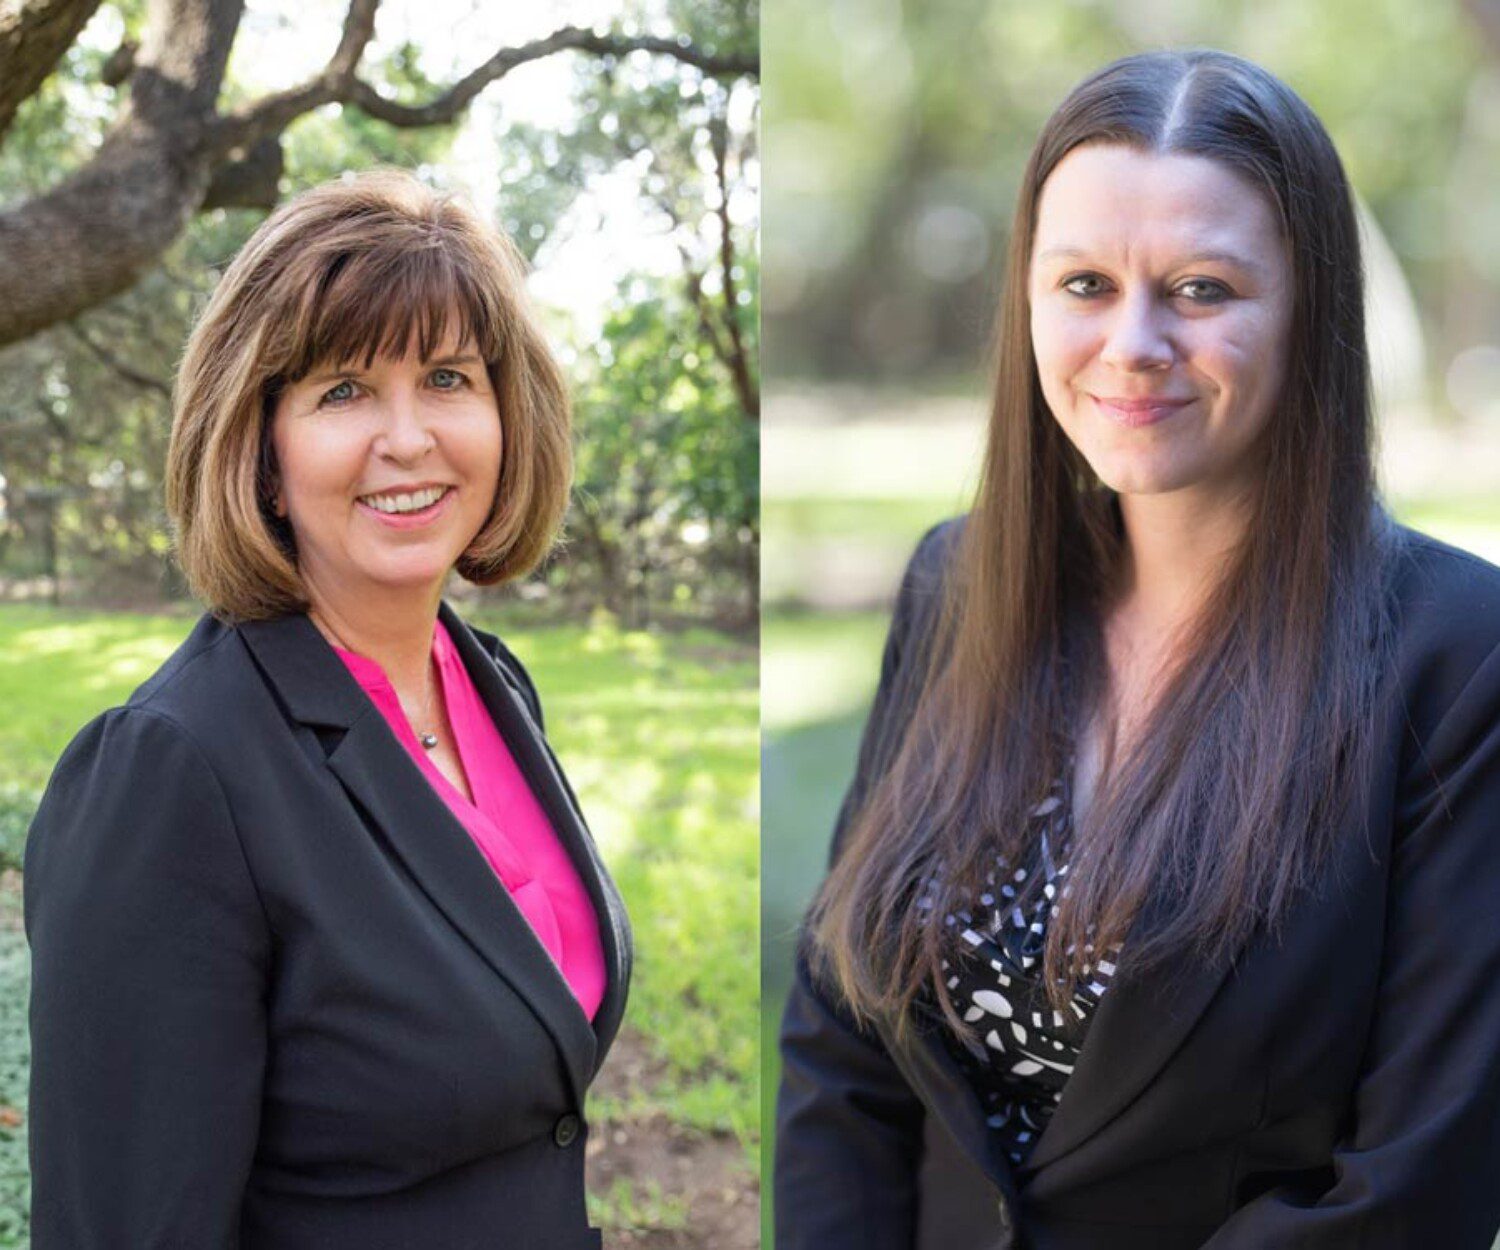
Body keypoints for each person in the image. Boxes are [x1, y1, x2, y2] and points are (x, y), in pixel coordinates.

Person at [776, 49, 1500, 1250]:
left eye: (1203, 288)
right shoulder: (956, 584)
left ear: (1314, 307)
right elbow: (840, 1040)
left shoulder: (1458, 659)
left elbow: (1414, 1186)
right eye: (1084, 283)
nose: (1133, 341)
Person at [25, 170, 631, 1250]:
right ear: (259, 442)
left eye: (447, 375)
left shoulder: (492, 683)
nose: (407, 437)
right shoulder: (172, 770)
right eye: (343, 390)